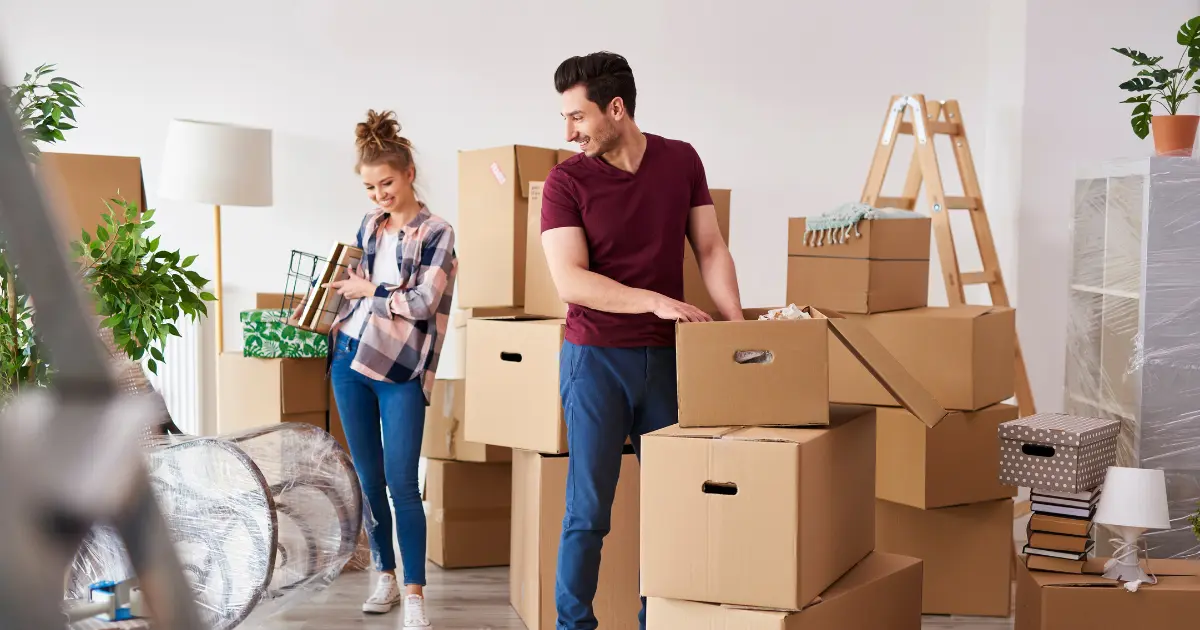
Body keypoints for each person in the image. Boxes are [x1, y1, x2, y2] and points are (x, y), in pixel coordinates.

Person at [539, 52, 744, 630]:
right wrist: (653, 300)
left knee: (671, 506)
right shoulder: (565, 182)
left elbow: (710, 248)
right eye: (564, 118)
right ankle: (574, 625)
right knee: (589, 511)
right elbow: (570, 280)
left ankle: (658, 621)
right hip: (596, 360)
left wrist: (736, 327)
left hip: (670, 361)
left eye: (577, 117)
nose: (568, 132)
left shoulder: (681, 160)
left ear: (616, 108)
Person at [324, 109, 457, 628]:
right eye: (370, 187)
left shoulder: (436, 232)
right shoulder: (369, 225)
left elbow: (423, 303)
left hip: (400, 370)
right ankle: (385, 574)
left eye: (386, 183)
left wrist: (370, 291)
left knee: (403, 482)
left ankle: (415, 594)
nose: (379, 194)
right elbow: (352, 286)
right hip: (349, 360)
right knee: (368, 479)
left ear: (408, 174)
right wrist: (322, 307)